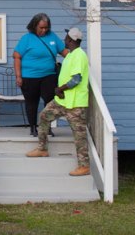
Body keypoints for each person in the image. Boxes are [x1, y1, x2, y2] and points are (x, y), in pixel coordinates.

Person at [25, 27, 90, 177]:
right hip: (63, 101)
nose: (64, 39)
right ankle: (42, 149)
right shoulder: (70, 55)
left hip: (76, 104)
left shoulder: (79, 55)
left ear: (71, 40)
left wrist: (60, 89)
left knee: (79, 135)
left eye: (66, 37)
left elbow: (76, 79)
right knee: (44, 116)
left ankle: (84, 166)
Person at [12, 13, 66, 136]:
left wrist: (77, 56)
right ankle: (33, 127)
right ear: (34, 26)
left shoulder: (52, 36)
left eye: (46, 28)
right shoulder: (27, 38)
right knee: (32, 103)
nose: (44, 30)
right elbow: (16, 56)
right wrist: (18, 76)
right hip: (29, 77)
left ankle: (47, 127)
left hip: (49, 76)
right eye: (41, 28)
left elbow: (64, 52)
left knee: (50, 101)